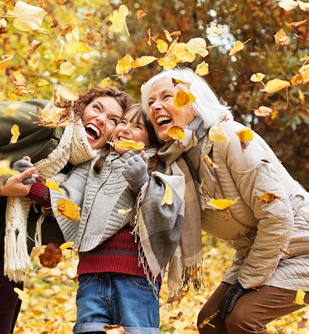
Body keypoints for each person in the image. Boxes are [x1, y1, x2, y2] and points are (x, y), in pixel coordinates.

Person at [140, 67, 309, 334]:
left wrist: (247, 282)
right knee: (210, 321)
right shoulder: (176, 164)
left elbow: (277, 216)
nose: (156, 105)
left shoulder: (229, 137)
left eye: (166, 96)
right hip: (267, 250)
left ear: (193, 103)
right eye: (150, 102)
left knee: (242, 319)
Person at [0, 87, 134, 334]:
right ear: (81, 107)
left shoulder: (79, 166)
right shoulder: (46, 117)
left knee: (4, 296)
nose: (102, 119)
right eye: (97, 108)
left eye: (113, 120)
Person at [14, 104, 190, 334]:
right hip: (92, 273)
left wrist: (141, 182)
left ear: (151, 139)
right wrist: (29, 181)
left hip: (136, 276)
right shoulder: (95, 163)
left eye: (137, 127)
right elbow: (67, 200)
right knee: (88, 329)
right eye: (123, 122)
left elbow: (164, 213)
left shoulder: (160, 164)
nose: (125, 129)